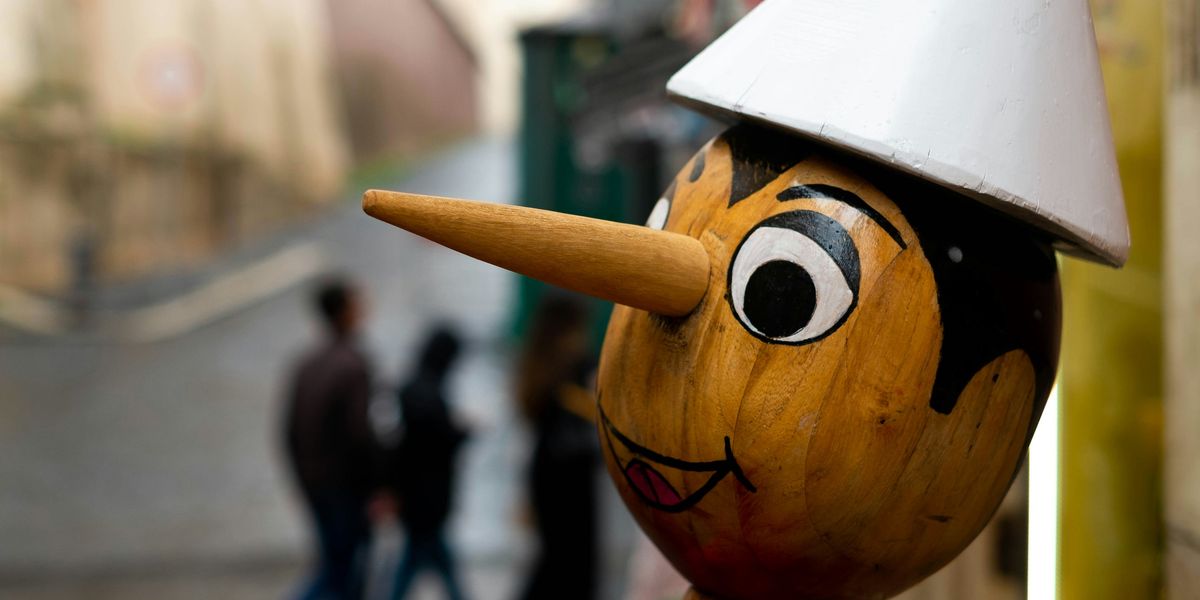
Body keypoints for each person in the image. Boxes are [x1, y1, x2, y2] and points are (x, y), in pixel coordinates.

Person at [283, 277, 378, 600]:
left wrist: (301, 480)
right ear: (345, 312)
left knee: (333, 563)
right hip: (345, 488)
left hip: (316, 484)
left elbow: (289, 432)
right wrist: (378, 486)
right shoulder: (353, 365)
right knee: (342, 572)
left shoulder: (306, 364)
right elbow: (360, 434)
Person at [515, 295, 600, 600]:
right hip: (572, 474)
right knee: (575, 562)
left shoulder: (539, 364)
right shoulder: (575, 364)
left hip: (548, 471)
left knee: (554, 557)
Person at [387, 326, 470, 600]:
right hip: (427, 495)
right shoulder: (431, 393)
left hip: (415, 493)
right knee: (423, 559)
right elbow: (437, 439)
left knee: (421, 559)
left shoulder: (413, 386)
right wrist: (463, 432)